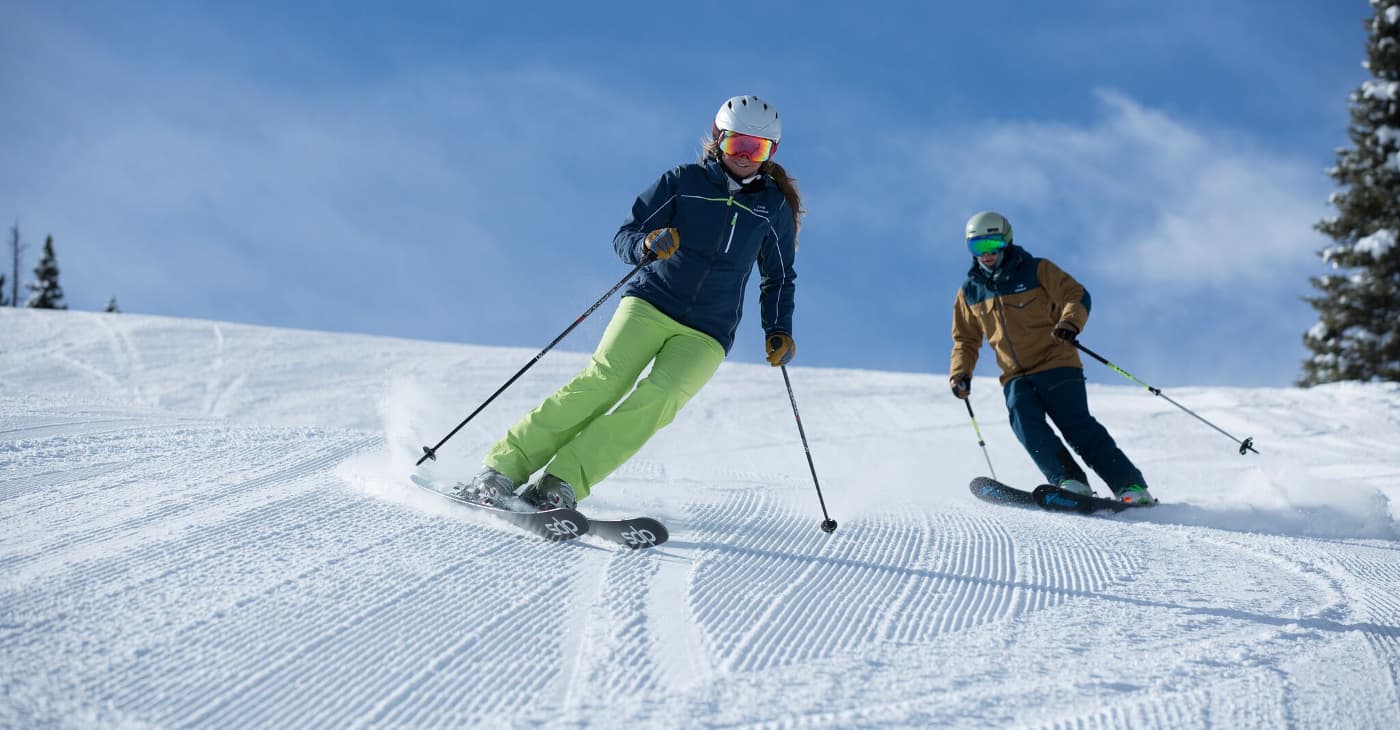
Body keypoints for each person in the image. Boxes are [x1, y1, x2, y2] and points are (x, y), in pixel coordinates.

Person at [456, 94, 802, 511]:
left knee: (657, 401)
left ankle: (561, 482)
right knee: (603, 383)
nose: (744, 156)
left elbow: (778, 276)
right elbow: (626, 235)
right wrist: (646, 244)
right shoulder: (683, 181)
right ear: (718, 139)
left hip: (709, 331)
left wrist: (778, 329)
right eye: (737, 143)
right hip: (651, 303)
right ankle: (502, 470)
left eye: (756, 148)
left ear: (770, 153)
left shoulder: (772, 207)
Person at [948, 211, 1155, 505]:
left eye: (992, 244)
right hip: (1014, 375)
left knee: (1076, 424)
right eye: (978, 246)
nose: (987, 254)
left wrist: (1069, 323)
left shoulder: (1037, 270)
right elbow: (965, 339)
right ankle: (1070, 482)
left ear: (1006, 241)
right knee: (1026, 425)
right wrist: (960, 373)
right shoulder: (970, 292)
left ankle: (1130, 486)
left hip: (1056, 363)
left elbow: (1076, 295)